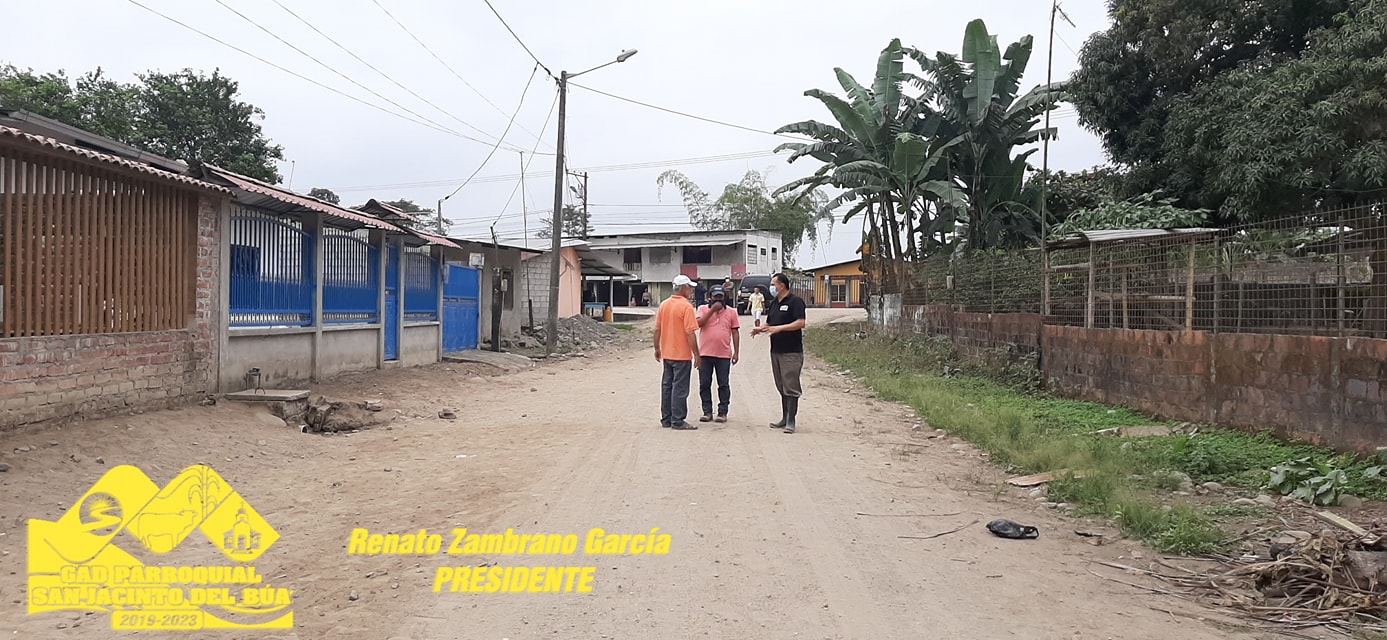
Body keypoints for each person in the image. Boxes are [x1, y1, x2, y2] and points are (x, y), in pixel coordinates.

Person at [751, 273, 807, 434]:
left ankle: (791, 421)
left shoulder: (795, 302)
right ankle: (784, 417)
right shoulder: (775, 302)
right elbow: (770, 322)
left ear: (782, 286)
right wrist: (761, 329)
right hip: (776, 350)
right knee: (781, 385)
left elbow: (801, 322)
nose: (771, 287)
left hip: (791, 351)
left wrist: (780, 329)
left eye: (773, 284)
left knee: (791, 386)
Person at [654, 275, 701, 430]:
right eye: (690, 287)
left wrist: (657, 348)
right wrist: (696, 354)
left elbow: (657, 329)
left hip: (667, 353)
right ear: (683, 288)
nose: (691, 290)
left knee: (667, 386)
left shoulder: (664, 305)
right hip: (681, 355)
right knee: (680, 388)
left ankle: (666, 418)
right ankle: (678, 420)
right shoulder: (686, 306)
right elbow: (689, 332)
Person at [695, 286, 740, 423]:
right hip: (705, 354)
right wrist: (712, 311)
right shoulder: (702, 309)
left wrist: (736, 352)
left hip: (724, 354)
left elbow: (735, 332)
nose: (718, 299)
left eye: (720, 297)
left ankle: (722, 412)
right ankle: (707, 411)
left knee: (723, 384)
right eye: (715, 297)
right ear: (709, 298)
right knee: (704, 384)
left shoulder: (731, 312)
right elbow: (698, 324)